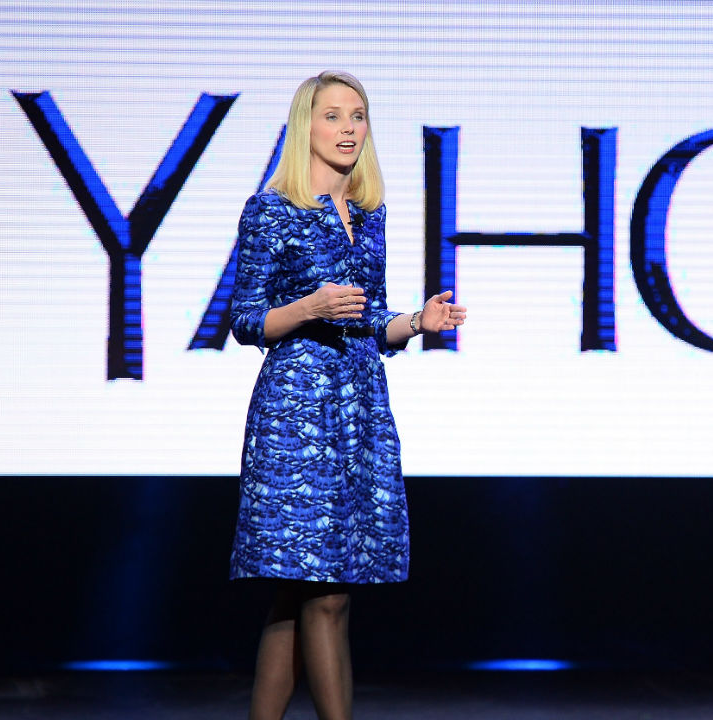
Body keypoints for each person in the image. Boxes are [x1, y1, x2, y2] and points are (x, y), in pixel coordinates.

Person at [227, 71, 466, 720]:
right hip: (297, 413)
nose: (348, 128)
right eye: (333, 116)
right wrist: (308, 306)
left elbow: (371, 322)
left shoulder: (368, 215)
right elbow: (245, 320)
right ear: (306, 125)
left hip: (358, 409)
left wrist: (417, 322)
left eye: (357, 116)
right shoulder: (271, 210)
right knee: (327, 593)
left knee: (299, 595)